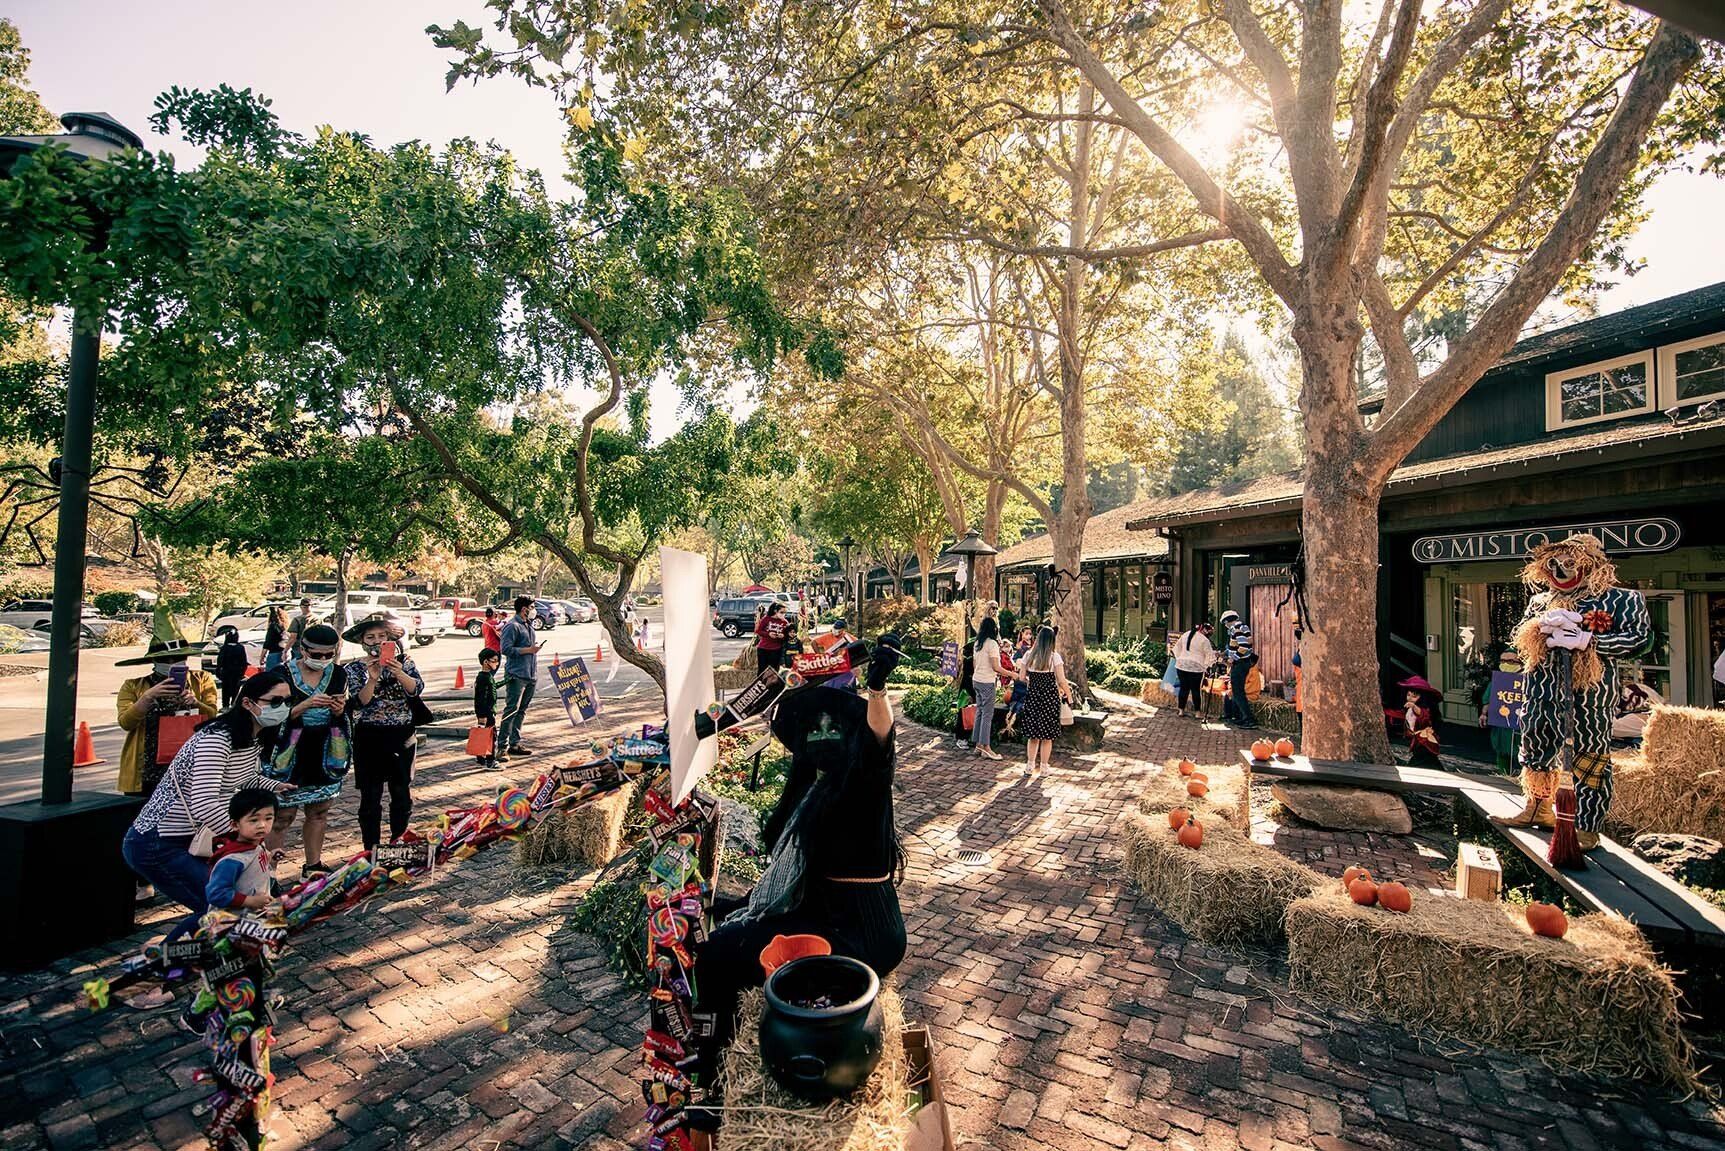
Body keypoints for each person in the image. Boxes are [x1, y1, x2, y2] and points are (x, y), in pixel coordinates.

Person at [688, 636, 908, 1140]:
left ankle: (708, 1084)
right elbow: (789, 878)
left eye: (832, 727)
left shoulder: (863, 782)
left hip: (859, 932)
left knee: (719, 955)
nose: (823, 736)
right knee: (728, 925)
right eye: (813, 729)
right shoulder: (810, 785)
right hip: (824, 910)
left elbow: (880, 744)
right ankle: (712, 1061)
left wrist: (876, 690)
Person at [121, 673, 295, 941]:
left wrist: (273, 786)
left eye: (287, 700)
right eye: (275, 701)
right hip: (157, 841)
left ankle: (219, 968)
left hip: (192, 838)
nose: (282, 707)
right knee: (217, 908)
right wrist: (244, 840)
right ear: (248, 703)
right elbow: (203, 803)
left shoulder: (253, 736)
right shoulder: (217, 739)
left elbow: (241, 777)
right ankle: (157, 973)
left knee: (225, 911)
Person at [265, 623, 350, 877]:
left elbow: (346, 710)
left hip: (325, 749)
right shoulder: (281, 674)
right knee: (283, 815)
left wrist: (339, 710)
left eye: (328, 655)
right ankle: (268, 873)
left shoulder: (338, 674)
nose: (322, 660)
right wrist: (304, 706)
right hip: (289, 750)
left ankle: (313, 864)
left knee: (319, 810)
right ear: (302, 649)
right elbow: (269, 715)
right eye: (316, 655)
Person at [343, 614, 426, 852]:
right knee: (370, 796)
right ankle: (371, 847)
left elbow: (416, 689)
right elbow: (359, 702)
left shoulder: (405, 662)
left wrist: (399, 672)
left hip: (401, 734)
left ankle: (398, 841)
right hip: (369, 735)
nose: (377, 641)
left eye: (382, 636)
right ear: (362, 641)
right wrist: (373, 678)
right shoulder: (355, 668)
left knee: (401, 792)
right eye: (371, 637)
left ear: (390, 639)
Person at [116, 640, 220, 800]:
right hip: (147, 772)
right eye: (165, 660)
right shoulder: (133, 685)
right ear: (154, 661)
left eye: (178, 657)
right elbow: (126, 722)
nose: (172, 663)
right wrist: (147, 697)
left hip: (189, 767)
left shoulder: (200, 679)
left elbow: (212, 717)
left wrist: (195, 703)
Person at [205, 788, 280, 913]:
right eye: (254, 820)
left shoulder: (257, 844)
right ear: (235, 825)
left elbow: (254, 865)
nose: (262, 825)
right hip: (231, 922)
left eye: (268, 818)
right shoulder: (232, 860)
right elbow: (216, 894)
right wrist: (250, 901)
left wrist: (270, 856)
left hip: (254, 916)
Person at [1017, 625, 1071, 776]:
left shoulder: (1028, 655)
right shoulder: (1054, 657)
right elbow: (1061, 680)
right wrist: (1069, 696)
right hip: (1049, 698)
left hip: (1033, 696)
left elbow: (1021, 677)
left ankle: (1029, 765)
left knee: (1033, 735)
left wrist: (1032, 682)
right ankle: (1044, 767)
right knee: (1047, 736)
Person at [497, 596, 542, 761]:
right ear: (524, 609)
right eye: (532, 607)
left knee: (521, 711)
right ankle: (501, 747)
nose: (534, 610)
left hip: (530, 675)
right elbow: (506, 649)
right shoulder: (512, 626)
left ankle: (514, 744)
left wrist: (532, 650)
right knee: (511, 711)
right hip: (516, 675)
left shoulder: (528, 626)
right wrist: (528, 650)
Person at [970, 616, 1008, 760]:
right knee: (987, 714)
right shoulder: (992, 644)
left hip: (977, 680)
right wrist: (1013, 674)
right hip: (987, 682)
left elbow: (975, 664)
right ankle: (986, 746)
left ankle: (978, 744)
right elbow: (996, 667)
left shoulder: (977, 643)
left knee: (980, 712)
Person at [1219, 610, 1258, 729]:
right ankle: (1240, 717)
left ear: (1227, 621)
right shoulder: (1243, 627)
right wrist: (1224, 653)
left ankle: (1249, 719)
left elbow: (1244, 647)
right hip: (1244, 663)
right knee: (1237, 691)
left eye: (1225, 623)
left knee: (1238, 692)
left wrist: (1232, 659)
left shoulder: (1236, 629)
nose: (1225, 626)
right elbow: (1238, 645)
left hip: (1240, 663)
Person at [1171, 621, 1216, 719]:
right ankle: (1197, 713)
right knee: (1195, 689)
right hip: (1196, 666)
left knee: (1184, 688)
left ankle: (1181, 710)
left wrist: (1181, 658)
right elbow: (1209, 655)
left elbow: (1176, 649)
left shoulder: (1186, 634)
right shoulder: (1204, 640)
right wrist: (1208, 665)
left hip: (1182, 665)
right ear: (1204, 630)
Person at [1398, 676, 1443, 766]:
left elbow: (1423, 714)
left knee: (1423, 759)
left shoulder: (1424, 709)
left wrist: (1414, 707)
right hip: (1418, 740)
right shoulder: (1409, 709)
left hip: (1425, 740)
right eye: (1408, 695)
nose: (1410, 698)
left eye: (1414, 696)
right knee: (1427, 760)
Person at [474, 646, 501, 768]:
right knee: (490, 737)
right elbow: (480, 699)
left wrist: (506, 681)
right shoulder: (482, 678)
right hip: (486, 713)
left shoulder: (488, 676)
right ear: (486, 662)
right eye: (494, 660)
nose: (497, 663)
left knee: (483, 735)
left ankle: (481, 758)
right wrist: (482, 715)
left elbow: (493, 687)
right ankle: (491, 761)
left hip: (489, 711)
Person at [214, 627, 249, 709]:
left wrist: (218, 671)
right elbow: (244, 661)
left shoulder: (224, 648)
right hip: (237, 673)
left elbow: (220, 661)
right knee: (235, 689)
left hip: (226, 672)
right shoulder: (240, 648)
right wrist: (242, 672)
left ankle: (225, 705)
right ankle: (234, 704)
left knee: (225, 689)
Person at [754, 600, 791, 671]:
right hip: (763, 648)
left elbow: (788, 636)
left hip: (776, 649)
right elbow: (758, 631)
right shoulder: (766, 619)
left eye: (785, 613)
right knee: (762, 670)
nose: (783, 614)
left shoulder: (785, 622)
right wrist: (768, 634)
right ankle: (761, 682)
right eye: (781, 612)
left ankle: (773, 682)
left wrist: (783, 636)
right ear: (775, 611)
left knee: (774, 671)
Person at [262, 605, 288, 671]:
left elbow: (267, 643)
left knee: (272, 676)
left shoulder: (272, 627)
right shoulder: (286, 626)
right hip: (284, 653)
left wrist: (262, 657)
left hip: (274, 654)